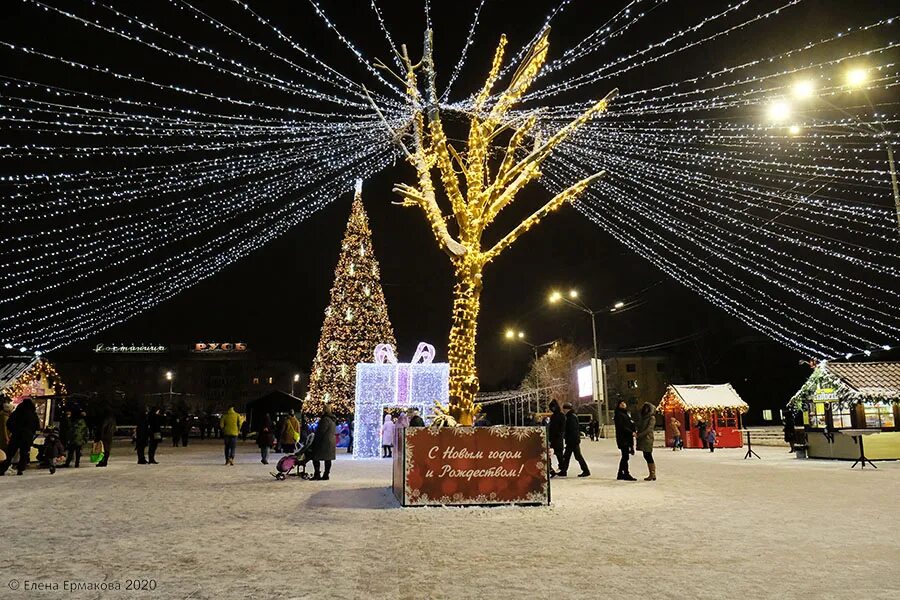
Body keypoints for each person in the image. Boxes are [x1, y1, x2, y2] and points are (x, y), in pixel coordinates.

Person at [1, 399, 41, 476]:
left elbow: (9, 423)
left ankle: (3, 469)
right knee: (24, 454)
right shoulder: (33, 414)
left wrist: (13, 430)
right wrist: (32, 434)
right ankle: (20, 469)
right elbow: (37, 427)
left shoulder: (17, 413)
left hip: (16, 435)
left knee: (10, 453)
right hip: (27, 437)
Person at [559, 403, 590, 478]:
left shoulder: (571, 417)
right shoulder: (571, 416)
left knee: (576, 456)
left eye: (564, 409)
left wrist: (569, 439)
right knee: (567, 456)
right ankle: (564, 470)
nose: (563, 410)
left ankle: (586, 470)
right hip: (572, 440)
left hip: (572, 440)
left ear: (567, 409)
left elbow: (572, 430)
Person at [310, 405, 337, 480]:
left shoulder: (325, 419)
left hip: (324, 442)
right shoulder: (333, 419)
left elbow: (321, 431)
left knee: (315, 457)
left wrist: (315, 440)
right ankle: (326, 474)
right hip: (331, 441)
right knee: (328, 459)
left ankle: (317, 473)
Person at [614, 400, 637, 481]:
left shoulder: (625, 413)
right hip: (623, 438)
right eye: (621, 403)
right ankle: (625, 473)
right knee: (625, 456)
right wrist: (631, 432)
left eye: (624, 403)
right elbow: (622, 427)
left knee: (625, 456)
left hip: (626, 438)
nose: (624, 404)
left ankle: (620, 473)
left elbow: (630, 424)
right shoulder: (619, 414)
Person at [636, 402, 657, 481]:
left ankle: (652, 473)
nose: (645, 410)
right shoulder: (643, 418)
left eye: (647, 408)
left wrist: (640, 435)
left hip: (647, 438)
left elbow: (649, 429)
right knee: (646, 455)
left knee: (648, 455)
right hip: (643, 438)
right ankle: (651, 473)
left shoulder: (651, 418)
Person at [547, 399, 565, 477]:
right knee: (558, 454)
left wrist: (558, 434)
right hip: (556, 438)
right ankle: (558, 469)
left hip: (556, 438)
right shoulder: (557, 416)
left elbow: (560, 428)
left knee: (558, 454)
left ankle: (560, 469)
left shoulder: (557, 416)